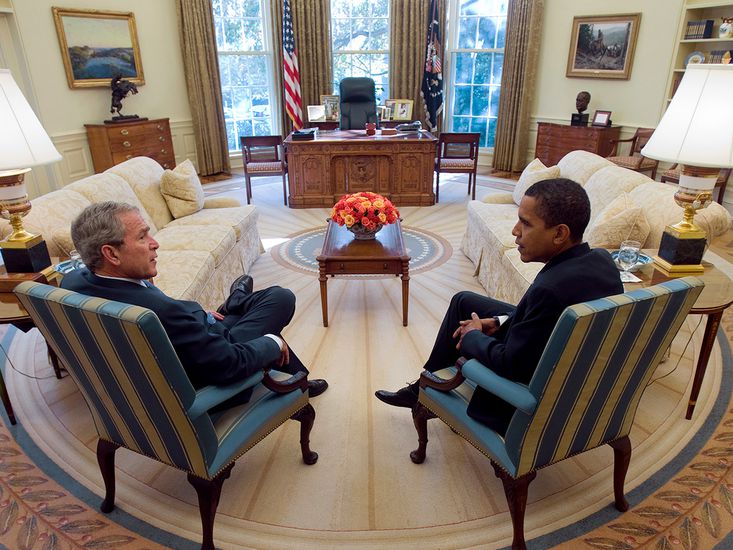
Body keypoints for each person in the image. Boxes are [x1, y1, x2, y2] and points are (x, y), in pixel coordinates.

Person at [375, 179, 623, 434]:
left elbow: (511, 364)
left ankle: (426, 388)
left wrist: (472, 335)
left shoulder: (549, 290)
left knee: (470, 328)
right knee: (464, 301)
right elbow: (541, 320)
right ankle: (423, 387)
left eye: (525, 223)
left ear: (560, 233)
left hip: (522, 397)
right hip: (552, 348)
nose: (515, 231)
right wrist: (497, 322)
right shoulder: (601, 261)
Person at [61, 201, 328, 401]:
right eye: (142, 237)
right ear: (111, 254)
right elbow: (230, 364)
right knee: (280, 300)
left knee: (275, 297)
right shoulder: (163, 314)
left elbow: (165, 314)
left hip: (196, 338)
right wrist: (272, 343)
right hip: (215, 367)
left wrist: (198, 314)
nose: (155, 244)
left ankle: (237, 303)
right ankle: (296, 381)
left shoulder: (73, 283)